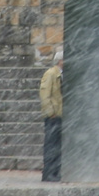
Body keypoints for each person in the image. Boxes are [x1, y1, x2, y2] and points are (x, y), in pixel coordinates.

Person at [40, 53, 63, 182]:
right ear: (60, 60)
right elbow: (45, 94)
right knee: (51, 145)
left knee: (57, 146)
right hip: (53, 116)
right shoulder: (51, 74)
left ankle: (55, 172)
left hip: (60, 115)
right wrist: (51, 112)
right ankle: (48, 172)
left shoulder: (59, 75)